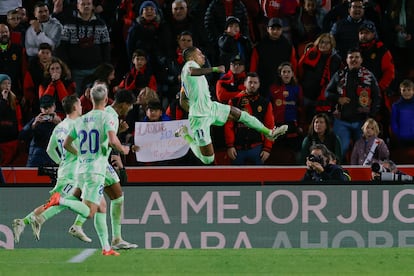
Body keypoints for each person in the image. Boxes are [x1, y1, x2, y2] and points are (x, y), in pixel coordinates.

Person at [175, 47, 288, 165]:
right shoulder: (189, 65)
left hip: (211, 108)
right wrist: (215, 69)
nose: (203, 56)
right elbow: (192, 72)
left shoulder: (188, 77)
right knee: (208, 159)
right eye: (200, 54)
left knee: (241, 114)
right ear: (192, 57)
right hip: (199, 118)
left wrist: (195, 107)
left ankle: (269, 133)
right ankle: (185, 134)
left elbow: (182, 100)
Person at [55, 84, 130, 255]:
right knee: (90, 210)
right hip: (96, 168)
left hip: (82, 167)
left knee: (102, 206)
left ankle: (107, 247)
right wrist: (123, 150)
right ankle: (61, 201)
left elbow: (67, 144)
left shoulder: (81, 119)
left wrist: (81, 154)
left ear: (89, 98)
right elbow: (112, 140)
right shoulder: (107, 117)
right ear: (106, 99)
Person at [11, 95, 89, 244]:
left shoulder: (59, 126)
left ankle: (24, 222)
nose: (81, 107)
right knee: (81, 200)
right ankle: (72, 226)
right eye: (79, 105)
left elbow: (49, 149)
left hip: (65, 170)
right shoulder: (77, 125)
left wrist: (61, 161)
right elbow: (80, 149)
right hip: (74, 173)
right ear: (74, 107)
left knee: (58, 203)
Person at [325, 47, 381, 161]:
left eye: (356, 57)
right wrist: (338, 98)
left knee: (364, 153)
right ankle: (337, 175)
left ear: (361, 59)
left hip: (362, 122)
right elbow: (327, 93)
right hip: (342, 121)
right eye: (351, 57)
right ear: (346, 59)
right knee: (341, 149)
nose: (354, 59)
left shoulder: (369, 76)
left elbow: (377, 96)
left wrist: (371, 117)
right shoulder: (339, 74)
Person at [56, 0, 111, 96]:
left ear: (92, 6)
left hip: (96, 70)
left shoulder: (101, 24)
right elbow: (62, 48)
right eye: (83, 4)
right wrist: (66, 67)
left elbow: (106, 48)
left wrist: (105, 69)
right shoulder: (69, 23)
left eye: (89, 4)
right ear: (77, 5)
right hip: (75, 71)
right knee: (76, 99)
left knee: (97, 98)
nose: (86, 6)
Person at [224, 72, 274, 165]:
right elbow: (228, 126)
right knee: (236, 177)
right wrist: (230, 146)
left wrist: (267, 148)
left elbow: (269, 126)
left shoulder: (265, 103)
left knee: (258, 178)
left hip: (257, 148)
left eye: (255, 83)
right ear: (244, 83)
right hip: (237, 149)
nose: (252, 85)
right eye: (250, 82)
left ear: (259, 85)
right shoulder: (234, 101)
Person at [298, 33, 342, 122]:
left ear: (332, 44)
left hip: (324, 98)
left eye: (327, 43)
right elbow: (300, 69)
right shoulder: (311, 53)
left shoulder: (336, 59)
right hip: (306, 94)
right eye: (322, 42)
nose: (323, 45)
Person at [250, 17, 297, 98]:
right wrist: (252, 83)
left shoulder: (288, 47)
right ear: (268, 29)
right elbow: (253, 67)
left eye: (278, 29)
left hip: (282, 86)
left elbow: (293, 66)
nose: (275, 31)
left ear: (282, 30)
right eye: (273, 28)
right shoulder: (259, 47)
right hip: (263, 85)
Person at [19, 95, 62, 167]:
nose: (47, 110)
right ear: (40, 109)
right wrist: (33, 125)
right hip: (36, 160)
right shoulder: (35, 121)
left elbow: (69, 139)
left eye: (49, 107)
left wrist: (60, 125)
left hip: (53, 160)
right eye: (44, 108)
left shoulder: (60, 122)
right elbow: (21, 137)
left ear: (54, 106)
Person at [22, 43, 53, 122]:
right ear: (38, 53)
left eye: (47, 53)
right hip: (36, 102)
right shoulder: (32, 68)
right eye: (42, 53)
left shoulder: (55, 67)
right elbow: (27, 87)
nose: (45, 55)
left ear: (51, 55)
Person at [0, 74, 23, 166]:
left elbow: (18, 117)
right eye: (4, 83)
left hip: (12, 138)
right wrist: (3, 100)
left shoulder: (14, 99)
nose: (7, 86)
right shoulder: (3, 99)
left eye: (9, 83)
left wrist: (20, 131)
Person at [391, 79, 414, 146]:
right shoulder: (395, 106)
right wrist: (398, 134)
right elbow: (393, 122)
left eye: (409, 90)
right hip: (401, 138)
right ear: (400, 91)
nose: (406, 92)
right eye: (404, 90)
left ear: (413, 91)